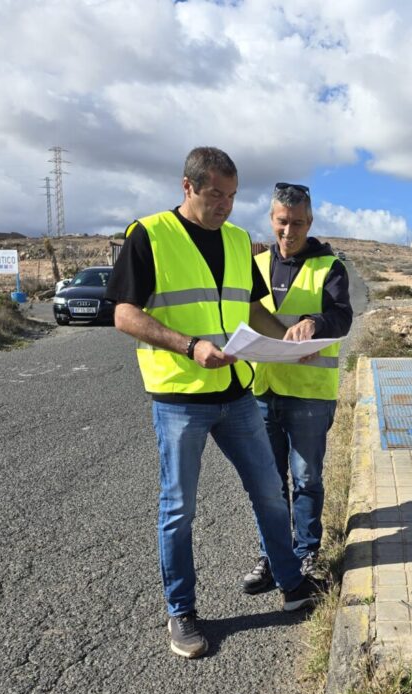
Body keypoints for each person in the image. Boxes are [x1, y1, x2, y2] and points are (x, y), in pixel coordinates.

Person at [105, 147, 320, 660]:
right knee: (179, 510)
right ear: (188, 187)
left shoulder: (239, 240)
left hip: (236, 393)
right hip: (179, 397)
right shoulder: (150, 234)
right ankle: (182, 612)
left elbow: (251, 307)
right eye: (214, 194)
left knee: (270, 492)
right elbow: (124, 314)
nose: (224, 204)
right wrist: (189, 346)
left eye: (231, 195)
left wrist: (289, 340)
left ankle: (291, 585)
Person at [241, 182, 352, 594]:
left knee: (306, 479)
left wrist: (316, 322)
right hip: (261, 390)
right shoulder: (252, 265)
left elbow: (342, 317)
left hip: (309, 393)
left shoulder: (330, 267)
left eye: (299, 223)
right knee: (268, 483)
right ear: (272, 220)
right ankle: (272, 556)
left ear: (311, 222)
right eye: (283, 223)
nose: (290, 232)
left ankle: (306, 554)